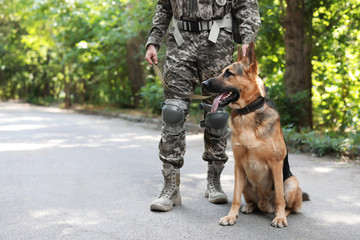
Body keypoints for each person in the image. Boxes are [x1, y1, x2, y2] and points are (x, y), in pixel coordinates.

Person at [144, 0, 261, 212]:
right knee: (173, 111)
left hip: (217, 42)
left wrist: (247, 39)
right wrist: (153, 41)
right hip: (180, 42)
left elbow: (245, 5)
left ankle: (214, 180)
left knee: (216, 114)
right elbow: (163, 6)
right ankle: (170, 187)